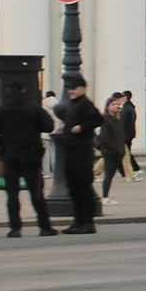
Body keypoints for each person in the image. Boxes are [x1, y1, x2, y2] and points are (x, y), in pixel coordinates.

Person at [0, 79, 54, 236]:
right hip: (31, 156)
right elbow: (49, 126)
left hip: (10, 157)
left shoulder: (2, 110)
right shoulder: (33, 108)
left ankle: (15, 228)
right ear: (23, 90)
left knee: (12, 195)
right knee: (36, 193)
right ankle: (44, 226)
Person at [53, 81, 102, 233]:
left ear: (82, 88)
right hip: (72, 150)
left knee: (82, 186)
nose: (70, 91)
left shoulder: (85, 104)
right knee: (73, 186)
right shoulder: (74, 104)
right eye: (69, 88)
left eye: (73, 88)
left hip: (82, 151)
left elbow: (98, 119)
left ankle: (87, 222)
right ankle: (78, 221)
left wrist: (82, 127)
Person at [96, 95, 130, 199]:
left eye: (117, 104)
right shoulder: (106, 120)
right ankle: (105, 197)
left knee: (110, 175)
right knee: (108, 175)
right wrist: (113, 148)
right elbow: (104, 138)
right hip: (110, 152)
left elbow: (120, 136)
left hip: (118, 152)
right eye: (113, 104)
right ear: (108, 107)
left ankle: (106, 196)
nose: (116, 106)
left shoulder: (117, 120)